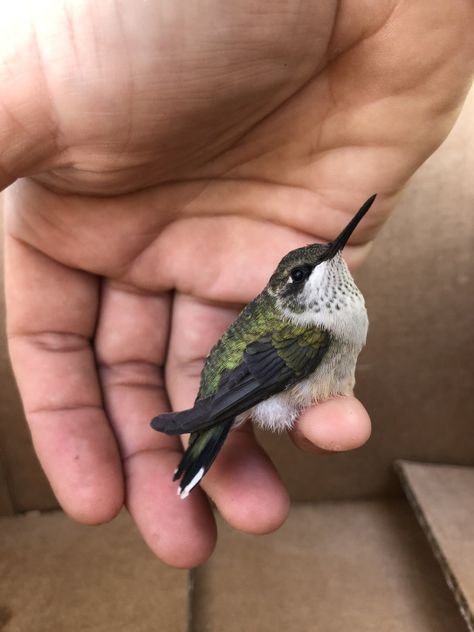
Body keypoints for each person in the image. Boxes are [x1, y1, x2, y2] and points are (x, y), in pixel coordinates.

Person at [1, 1, 472, 568]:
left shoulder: (325, 314)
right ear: (292, 292)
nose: (331, 260)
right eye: (306, 271)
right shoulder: (305, 331)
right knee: (242, 417)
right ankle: (201, 445)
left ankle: (200, 439)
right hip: (249, 382)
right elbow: (260, 378)